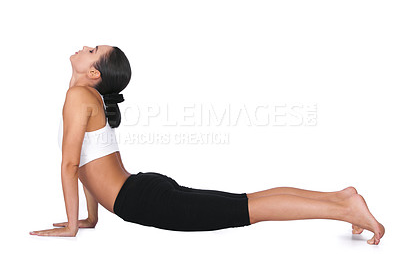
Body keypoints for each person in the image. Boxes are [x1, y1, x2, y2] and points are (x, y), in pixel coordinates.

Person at [29, 45, 385, 245]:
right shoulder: (83, 96)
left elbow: (71, 166)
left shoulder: (78, 96)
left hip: (142, 198)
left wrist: (74, 226)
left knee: (247, 209)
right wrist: (89, 218)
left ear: (94, 73)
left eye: (92, 50)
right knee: (245, 202)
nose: (84, 47)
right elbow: (90, 163)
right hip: (140, 191)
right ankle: (341, 199)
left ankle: (343, 207)